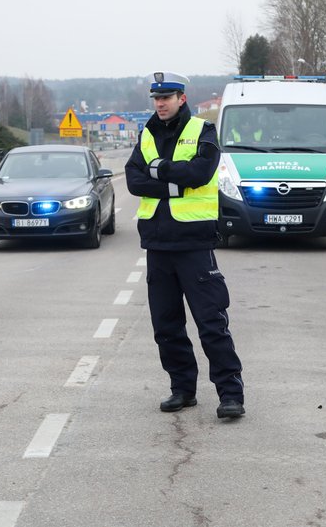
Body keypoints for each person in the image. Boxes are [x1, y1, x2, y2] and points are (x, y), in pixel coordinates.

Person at [125, 71, 245, 419]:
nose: (160, 104)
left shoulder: (203, 131)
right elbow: (134, 180)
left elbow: (200, 174)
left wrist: (157, 172)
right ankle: (182, 389)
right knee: (166, 325)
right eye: (156, 98)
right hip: (158, 244)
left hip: (194, 243)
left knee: (211, 322)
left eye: (167, 97)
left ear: (182, 99)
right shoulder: (146, 135)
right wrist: (174, 180)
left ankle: (231, 394)